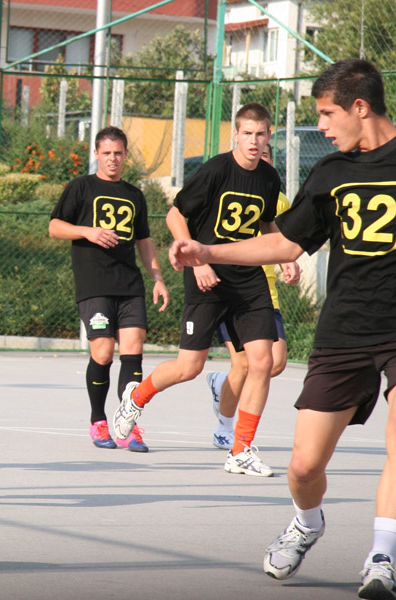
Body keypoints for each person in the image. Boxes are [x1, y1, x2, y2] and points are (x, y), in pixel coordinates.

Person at [169, 59, 396, 598]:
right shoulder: (332, 173)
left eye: (327, 113)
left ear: (360, 107)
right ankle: (307, 522)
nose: (321, 125)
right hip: (345, 331)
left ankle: (383, 556)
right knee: (303, 465)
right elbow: (285, 243)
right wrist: (207, 250)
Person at [113, 102, 298, 477]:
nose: (254, 141)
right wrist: (198, 262)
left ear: (269, 136)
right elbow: (175, 215)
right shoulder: (216, 169)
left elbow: (266, 224)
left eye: (260, 134)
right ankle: (136, 397)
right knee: (189, 367)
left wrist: (284, 255)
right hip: (207, 276)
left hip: (248, 279)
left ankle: (240, 450)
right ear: (236, 134)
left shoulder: (268, 178)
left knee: (262, 362)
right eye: (247, 134)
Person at [49, 126, 169, 452]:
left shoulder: (134, 195)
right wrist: (88, 232)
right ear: (96, 154)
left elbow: (144, 241)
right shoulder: (81, 187)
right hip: (94, 284)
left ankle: (127, 425)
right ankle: (98, 421)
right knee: (102, 352)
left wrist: (157, 278)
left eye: (118, 153)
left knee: (133, 352)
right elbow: (55, 226)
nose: (112, 158)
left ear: (126, 155)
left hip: (129, 284)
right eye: (106, 153)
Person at [206, 143, 300, 450]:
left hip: (265, 289)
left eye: (266, 156)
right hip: (232, 288)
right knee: (245, 364)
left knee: (276, 362)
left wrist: (288, 261)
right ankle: (225, 428)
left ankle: (222, 384)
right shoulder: (228, 187)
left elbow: (281, 240)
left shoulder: (279, 200)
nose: (260, 159)